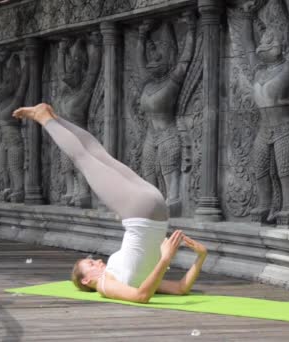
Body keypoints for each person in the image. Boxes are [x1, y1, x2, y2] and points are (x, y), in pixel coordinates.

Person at [12, 103, 208, 304]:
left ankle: (52, 117)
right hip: (142, 209)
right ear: (88, 280)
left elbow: (172, 289)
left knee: (96, 156)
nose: (97, 260)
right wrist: (200, 257)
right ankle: (45, 117)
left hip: (147, 207)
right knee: (84, 158)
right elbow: (156, 293)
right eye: (90, 263)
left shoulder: (120, 278)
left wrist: (166, 259)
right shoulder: (106, 285)